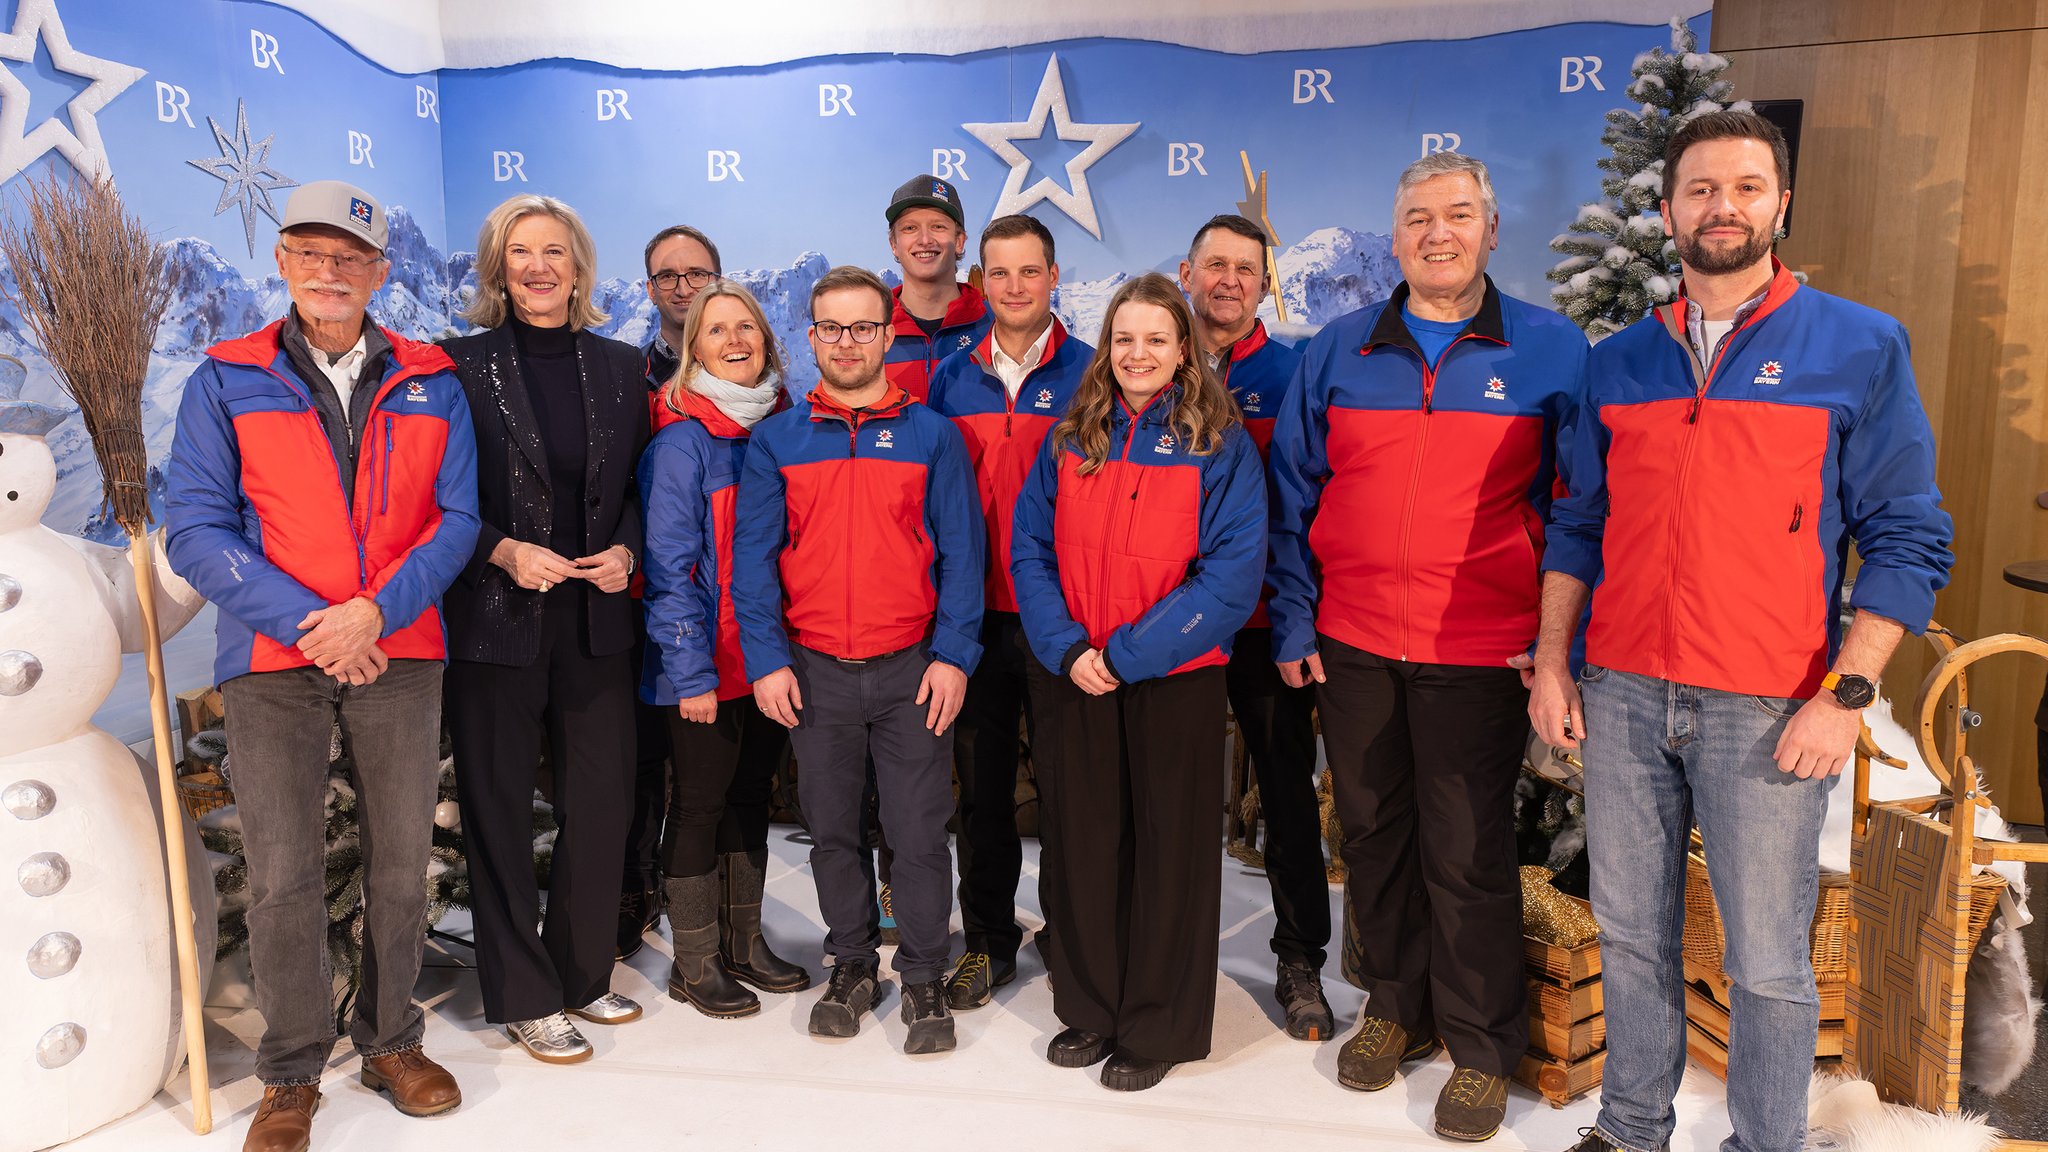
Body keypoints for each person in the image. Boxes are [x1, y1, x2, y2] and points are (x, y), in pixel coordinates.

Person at [1528, 110, 1953, 1152]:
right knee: (1630, 935)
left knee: (1765, 960)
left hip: (1769, 702)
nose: (1722, 207)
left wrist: (1844, 695)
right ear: (1666, 209)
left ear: (1779, 203)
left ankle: (1763, 1142)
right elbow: (1577, 522)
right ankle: (1631, 1128)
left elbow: (1904, 537)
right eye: (1700, 189)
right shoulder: (1619, 361)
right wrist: (1550, 663)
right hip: (1623, 693)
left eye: (1745, 188)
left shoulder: (1857, 344)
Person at [1267, 152, 1589, 1142]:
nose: (1436, 233)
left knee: (1465, 850)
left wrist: (1552, 650)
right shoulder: (1335, 352)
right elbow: (1290, 496)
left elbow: (1578, 511)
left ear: (1490, 231)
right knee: (1369, 837)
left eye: (1456, 215)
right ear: (1394, 234)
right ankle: (1395, 1008)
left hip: (1478, 650)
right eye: (1416, 217)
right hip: (1354, 643)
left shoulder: (1548, 350)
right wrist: (1292, 616)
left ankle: (1480, 1047)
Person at [165, 179, 479, 1152]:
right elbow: (195, 531)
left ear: (379, 273)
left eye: (350, 258)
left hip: (402, 648)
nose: (329, 272)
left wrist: (374, 613)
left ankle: (390, 1039)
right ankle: (291, 1072)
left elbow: (457, 520)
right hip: (271, 659)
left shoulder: (432, 378)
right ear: (283, 261)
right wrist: (316, 623)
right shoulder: (225, 377)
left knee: (397, 863)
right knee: (284, 875)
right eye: (311, 253)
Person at [1012, 272, 1266, 1092]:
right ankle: (1089, 1008)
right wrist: (1066, 647)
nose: (1138, 353)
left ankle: (1157, 1022)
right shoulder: (1071, 436)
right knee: (1083, 846)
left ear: (1183, 349)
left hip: (1171, 680)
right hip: (1074, 673)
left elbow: (1230, 579)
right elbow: (1029, 551)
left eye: (1156, 338)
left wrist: (1125, 655)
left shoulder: (1217, 442)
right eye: (1124, 338)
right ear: (1105, 346)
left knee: (1169, 854)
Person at [732, 265, 985, 1054]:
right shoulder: (778, 439)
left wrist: (953, 656)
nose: (847, 342)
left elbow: (962, 559)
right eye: (831, 329)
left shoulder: (932, 435)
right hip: (814, 671)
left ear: (887, 333)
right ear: (811, 338)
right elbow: (754, 561)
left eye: (863, 327)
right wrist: (767, 659)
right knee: (833, 829)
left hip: (912, 666)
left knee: (916, 832)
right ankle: (850, 964)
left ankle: (921, 975)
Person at [440, 194, 652, 1064]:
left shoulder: (620, 365)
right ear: (499, 269)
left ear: (579, 267)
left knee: (602, 806)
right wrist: (498, 552)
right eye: (520, 252)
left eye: (553, 251)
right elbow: (437, 496)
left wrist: (629, 553)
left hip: (597, 619)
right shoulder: (456, 366)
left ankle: (581, 973)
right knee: (494, 808)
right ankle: (526, 996)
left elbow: (642, 482)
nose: (538, 266)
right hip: (497, 620)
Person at [925, 213, 1092, 1010]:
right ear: (979, 280)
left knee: (1067, 791)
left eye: (1030, 272)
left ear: (1053, 277)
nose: (1015, 288)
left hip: (1063, 620)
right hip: (973, 620)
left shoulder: (1095, 374)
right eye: (999, 273)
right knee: (982, 792)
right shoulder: (950, 378)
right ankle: (989, 941)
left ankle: (1071, 936)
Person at [1176, 212, 1329, 1041]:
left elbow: (1308, 504)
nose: (1229, 281)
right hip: (1175, 623)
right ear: (1188, 272)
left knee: (1284, 791)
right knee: (1170, 789)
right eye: (1216, 265)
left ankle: (1300, 954)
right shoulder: (1152, 366)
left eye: (1246, 268)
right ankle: (1165, 944)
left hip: (1268, 622)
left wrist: (1300, 615)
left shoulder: (1295, 370)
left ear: (1262, 282)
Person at [639, 279, 810, 1018]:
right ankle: (696, 958)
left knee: (750, 800)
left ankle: (745, 941)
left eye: (747, 327)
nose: (735, 340)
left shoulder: (783, 430)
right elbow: (667, 569)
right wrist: (690, 674)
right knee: (702, 805)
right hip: (704, 665)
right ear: (693, 348)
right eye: (716, 330)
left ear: (767, 342)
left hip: (768, 662)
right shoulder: (681, 443)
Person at [620, 223, 724, 959]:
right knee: (639, 762)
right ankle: (633, 896)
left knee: (707, 773)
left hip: (715, 612)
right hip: (633, 601)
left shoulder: (759, 385)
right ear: (649, 286)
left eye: (697, 274)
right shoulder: (628, 378)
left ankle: (705, 900)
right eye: (667, 276)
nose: (682, 287)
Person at [883, 174, 991, 401]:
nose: (924, 239)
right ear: (894, 244)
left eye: (938, 226)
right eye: (910, 228)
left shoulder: (997, 327)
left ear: (960, 241)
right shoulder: (869, 330)